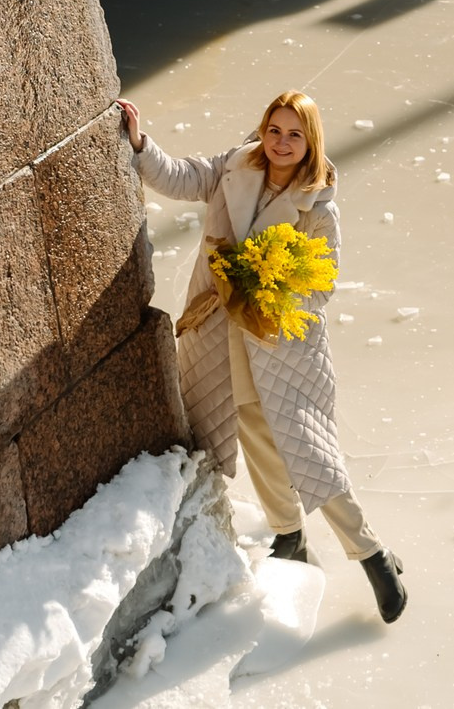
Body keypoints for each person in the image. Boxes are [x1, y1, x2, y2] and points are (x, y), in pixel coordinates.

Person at [118, 89, 407, 623]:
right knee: (252, 433)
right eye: (274, 130)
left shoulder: (318, 206)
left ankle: (373, 556)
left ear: (310, 141)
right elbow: (181, 177)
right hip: (222, 330)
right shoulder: (235, 166)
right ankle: (289, 534)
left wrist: (269, 286)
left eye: (294, 134)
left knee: (309, 454)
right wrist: (139, 143)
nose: (281, 142)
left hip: (282, 345)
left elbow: (322, 287)